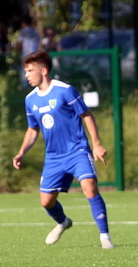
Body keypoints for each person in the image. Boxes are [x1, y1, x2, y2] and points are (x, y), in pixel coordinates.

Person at [12, 51, 114, 249]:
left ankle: (105, 237)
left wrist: (96, 144)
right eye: (26, 71)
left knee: (89, 186)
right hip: (53, 157)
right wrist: (21, 152)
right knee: (46, 202)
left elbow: (87, 115)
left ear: (44, 70)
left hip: (77, 150)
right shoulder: (30, 100)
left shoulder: (65, 91)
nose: (26, 75)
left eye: (30, 70)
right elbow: (33, 129)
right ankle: (63, 222)